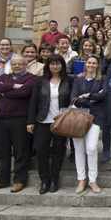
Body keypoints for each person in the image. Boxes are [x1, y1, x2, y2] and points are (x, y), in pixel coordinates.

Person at [0, 55, 37, 193]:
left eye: (20, 64)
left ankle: (20, 180)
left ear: (25, 65)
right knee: (2, 151)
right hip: (2, 119)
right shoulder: (4, 77)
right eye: (14, 64)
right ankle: (1, 180)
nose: (17, 66)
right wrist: (13, 86)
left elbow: (25, 91)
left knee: (21, 151)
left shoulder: (31, 78)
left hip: (20, 119)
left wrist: (5, 92)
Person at [27, 54, 71, 194]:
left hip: (60, 121)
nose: (55, 66)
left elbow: (72, 99)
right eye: (52, 63)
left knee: (59, 151)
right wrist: (30, 121)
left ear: (62, 66)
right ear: (48, 65)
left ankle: (54, 179)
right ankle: (44, 180)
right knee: (41, 151)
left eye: (58, 63)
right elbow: (33, 102)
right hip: (42, 121)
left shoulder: (68, 80)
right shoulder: (40, 81)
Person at [71, 55, 106, 194]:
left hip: (95, 118)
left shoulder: (102, 79)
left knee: (91, 148)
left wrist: (87, 96)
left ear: (97, 65)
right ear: (86, 64)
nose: (91, 65)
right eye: (89, 62)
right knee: (79, 149)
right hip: (78, 117)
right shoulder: (78, 79)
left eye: (94, 63)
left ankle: (92, 180)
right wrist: (92, 97)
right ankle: (81, 179)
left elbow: (103, 95)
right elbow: (73, 98)